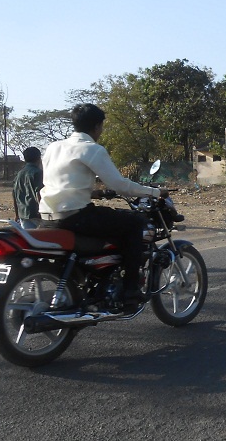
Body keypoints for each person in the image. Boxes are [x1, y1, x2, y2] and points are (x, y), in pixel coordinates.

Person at [38, 104, 168, 310]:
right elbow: (119, 185)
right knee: (135, 223)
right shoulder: (91, 149)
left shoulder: (53, 148)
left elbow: (58, 183)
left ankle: (104, 276)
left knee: (111, 222)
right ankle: (131, 290)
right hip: (76, 216)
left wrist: (92, 192)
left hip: (47, 216)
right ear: (98, 126)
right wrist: (155, 192)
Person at [12, 146, 43, 229]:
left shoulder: (19, 174)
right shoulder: (38, 173)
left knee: (29, 239)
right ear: (39, 158)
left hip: (23, 214)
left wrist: (17, 215)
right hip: (36, 214)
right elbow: (39, 193)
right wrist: (42, 210)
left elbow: (15, 195)